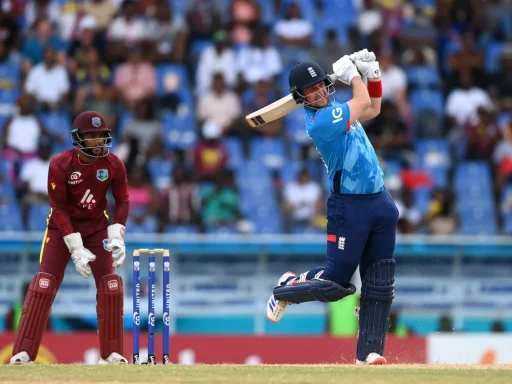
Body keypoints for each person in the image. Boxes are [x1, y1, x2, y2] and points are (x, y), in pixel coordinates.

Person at [266, 50, 398, 365]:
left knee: (379, 281)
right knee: (337, 284)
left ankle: (369, 354)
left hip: (380, 201)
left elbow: (374, 107)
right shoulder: (320, 122)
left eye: (321, 86)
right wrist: (354, 74)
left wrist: (373, 76)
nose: (319, 92)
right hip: (348, 208)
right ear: (301, 98)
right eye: (311, 91)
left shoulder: (339, 108)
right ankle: (286, 288)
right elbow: (363, 102)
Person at [10, 111, 130, 365]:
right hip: (61, 230)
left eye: (102, 135)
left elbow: (122, 199)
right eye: (92, 136)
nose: (98, 141)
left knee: (110, 284)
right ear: (78, 139)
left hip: (98, 229)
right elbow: (59, 209)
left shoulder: (113, 164)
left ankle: (111, 355)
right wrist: (75, 247)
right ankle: (23, 353)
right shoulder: (60, 164)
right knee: (44, 284)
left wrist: (117, 233)